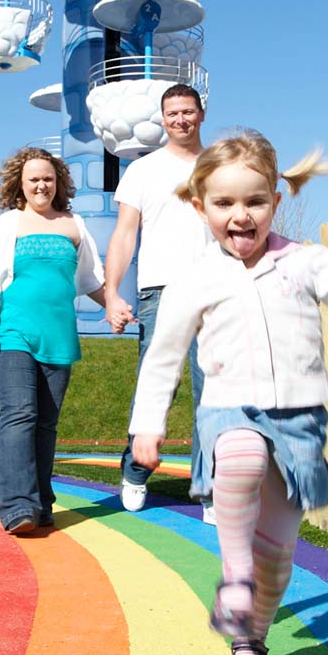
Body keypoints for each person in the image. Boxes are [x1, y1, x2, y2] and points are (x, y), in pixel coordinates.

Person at [128, 131, 328, 655]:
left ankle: (250, 644)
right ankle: (234, 577)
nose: (240, 216)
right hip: (228, 409)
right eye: (224, 204)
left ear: (275, 200)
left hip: (299, 423)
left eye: (254, 202)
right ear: (200, 206)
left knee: (278, 558)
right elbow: (164, 356)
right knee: (239, 457)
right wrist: (148, 422)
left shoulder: (307, 262)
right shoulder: (195, 280)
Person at [0, 147, 105, 535]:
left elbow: (92, 279)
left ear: (57, 182)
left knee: (45, 424)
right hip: (15, 334)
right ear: (20, 185)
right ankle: (16, 507)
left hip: (59, 337)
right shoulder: (5, 224)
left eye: (48, 178)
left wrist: (115, 306)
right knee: (19, 414)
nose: (41, 185)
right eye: (33, 179)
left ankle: (41, 503)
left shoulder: (74, 224)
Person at [105, 83, 213, 520]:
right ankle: (135, 470)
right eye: (172, 114)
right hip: (161, 293)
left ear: (201, 114)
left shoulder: (221, 165)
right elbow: (125, 234)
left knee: (216, 394)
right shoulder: (143, 171)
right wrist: (112, 293)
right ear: (162, 119)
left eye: (188, 112)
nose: (180, 120)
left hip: (217, 290)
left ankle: (209, 488)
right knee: (157, 390)